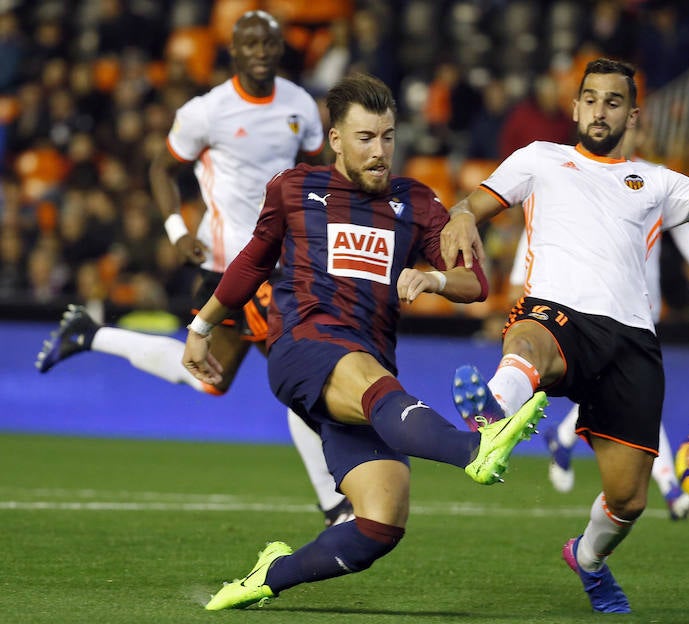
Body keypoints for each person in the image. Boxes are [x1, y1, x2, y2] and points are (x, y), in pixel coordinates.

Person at [181, 73, 548, 611]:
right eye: (365, 138)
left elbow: (476, 283)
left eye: (388, 137)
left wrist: (434, 279)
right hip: (303, 346)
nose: (380, 151)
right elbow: (252, 263)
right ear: (335, 140)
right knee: (369, 379)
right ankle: (474, 448)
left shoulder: (416, 203)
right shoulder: (294, 189)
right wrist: (201, 327)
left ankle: (271, 574)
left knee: (380, 522)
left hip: (366, 373)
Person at [441, 58, 689, 613]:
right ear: (575, 107)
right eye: (591, 98)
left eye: (614, 101)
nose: (600, 110)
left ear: (632, 113)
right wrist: (459, 216)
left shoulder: (658, 181)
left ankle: (589, 558)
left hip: (631, 343)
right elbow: (472, 204)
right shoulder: (540, 160)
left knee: (628, 498)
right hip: (557, 310)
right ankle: (492, 417)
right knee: (529, 341)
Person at [33, 11, 351, 527]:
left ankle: (89, 335)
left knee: (213, 381)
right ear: (233, 50)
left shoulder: (299, 105)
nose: (260, 52)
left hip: (284, 264)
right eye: (249, 44)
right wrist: (177, 233)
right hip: (229, 266)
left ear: (278, 48)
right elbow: (162, 167)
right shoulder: (208, 111)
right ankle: (333, 502)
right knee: (298, 372)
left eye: (268, 43)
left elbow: (321, 170)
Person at [523, 122, 689, 518]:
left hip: (642, 307)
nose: (637, 138)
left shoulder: (652, 180)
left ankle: (562, 438)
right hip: (597, 306)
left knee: (621, 392)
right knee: (633, 398)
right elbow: (550, 226)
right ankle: (670, 486)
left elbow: (686, 228)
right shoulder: (578, 175)